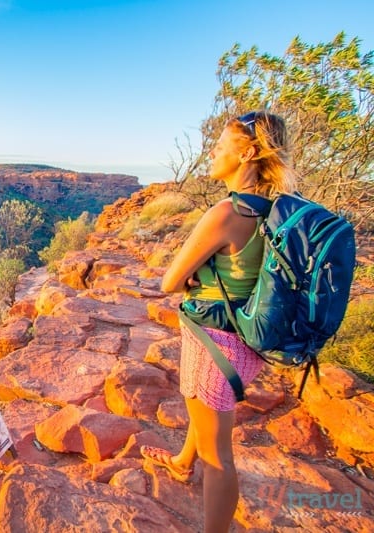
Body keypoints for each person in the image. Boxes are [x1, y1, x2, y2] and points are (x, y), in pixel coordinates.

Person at [140, 111, 297, 533]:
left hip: (216, 342)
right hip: (245, 335)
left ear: (246, 153)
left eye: (220, 145)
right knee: (200, 413)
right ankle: (180, 462)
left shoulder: (227, 212)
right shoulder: (275, 208)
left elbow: (170, 280)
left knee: (218, 458)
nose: (211, 152)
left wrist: (194, 271)